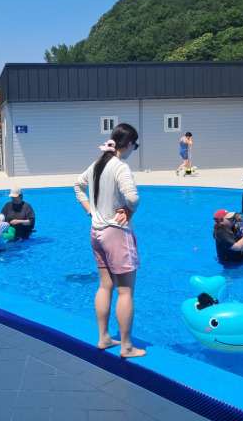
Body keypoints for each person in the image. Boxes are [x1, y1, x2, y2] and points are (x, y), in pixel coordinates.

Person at [74, 123, 146, 359]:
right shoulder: (120, 167)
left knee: (105, 286)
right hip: (115, 233)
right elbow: (133, 197)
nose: (133, 150)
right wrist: (130, 210)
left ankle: (104, 337)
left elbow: (78, 185)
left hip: (96, 232)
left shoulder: (97, 164)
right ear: (127, 145)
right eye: (134, 146)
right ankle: (126, 346)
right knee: (125, 292)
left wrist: (89, 210)